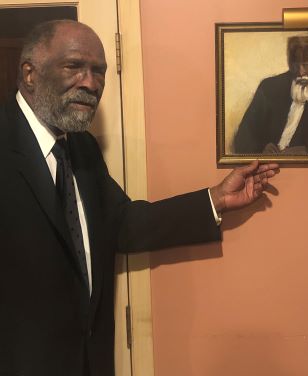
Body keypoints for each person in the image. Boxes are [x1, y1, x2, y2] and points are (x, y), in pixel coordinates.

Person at [0, 20, 279, 376]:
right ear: (29, 73)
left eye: (98, 71)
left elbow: (122, 225)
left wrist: (216, 198)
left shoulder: (81, 147)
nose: (90, 82)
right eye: (74, 66)